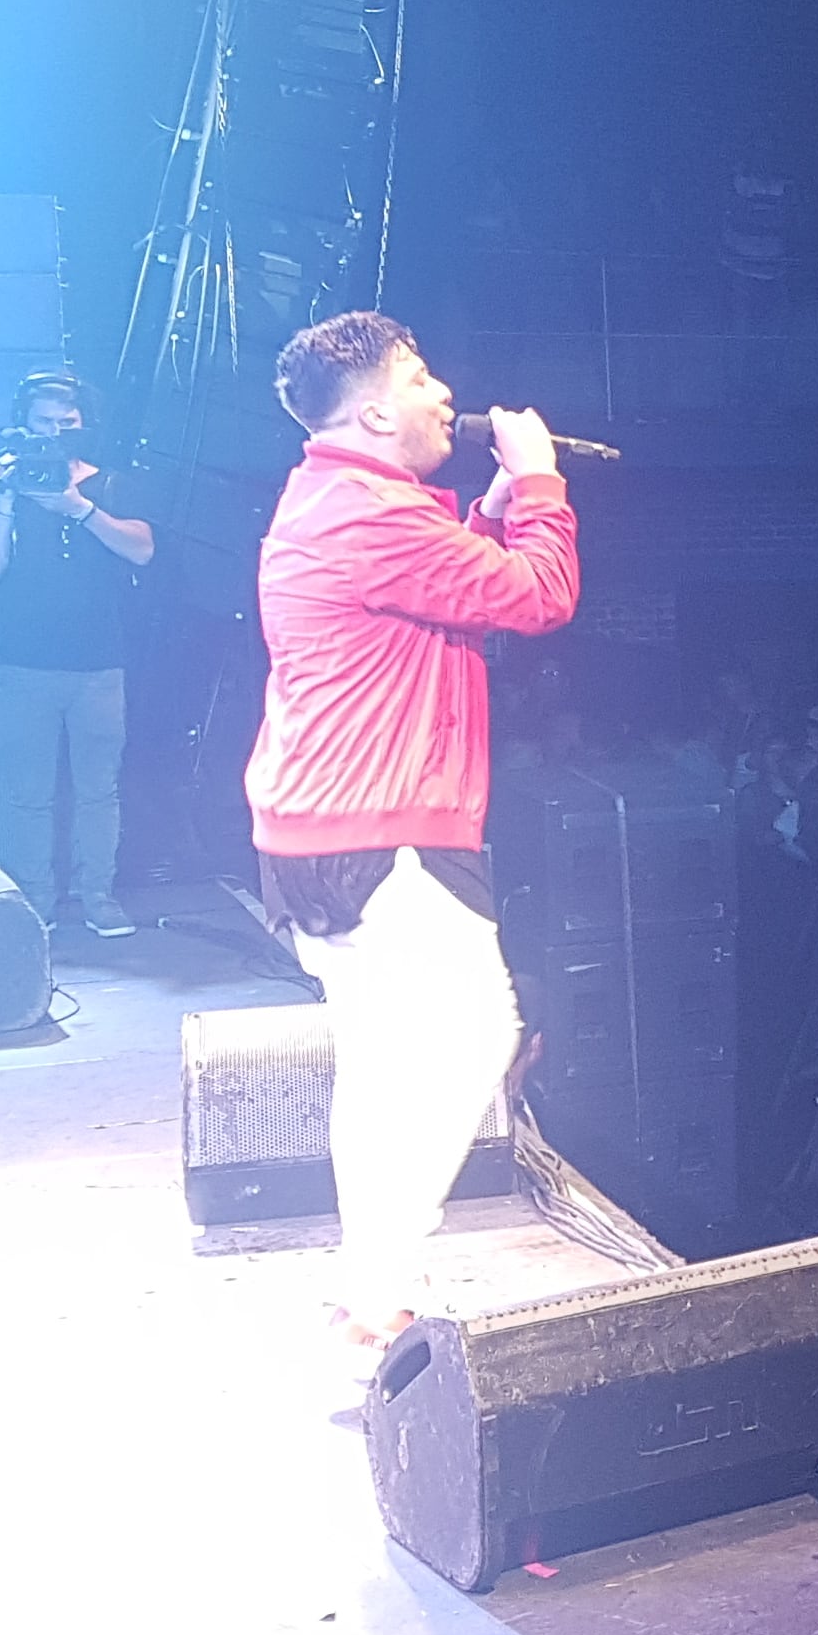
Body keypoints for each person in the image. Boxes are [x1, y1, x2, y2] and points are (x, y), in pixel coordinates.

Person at [244, 313, 579, 1352]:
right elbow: (540, 596)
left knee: (384, 1064)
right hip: (382, 831)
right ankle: (384, 1288)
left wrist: (481, 513)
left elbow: (434, 592)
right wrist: (537, 485)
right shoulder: (371, 516)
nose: (446, 394)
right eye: (424, 376)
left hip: (317, 832)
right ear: (378, 407)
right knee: (478, 1031)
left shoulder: (342, 499)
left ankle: (370, 1287)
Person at [0, 369, 153, 937]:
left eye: (65, 423)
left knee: (100, 791)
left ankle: (99, 896)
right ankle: (37, 900)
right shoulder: (2, 488)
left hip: (99, 666)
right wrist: (5, 498)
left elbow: (143, 550)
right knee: (30, 796)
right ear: (22, 424)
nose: (53, 433)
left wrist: (78, 508)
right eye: (42, 423)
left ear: (84, 425)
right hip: (24, 666)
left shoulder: (113, 485)